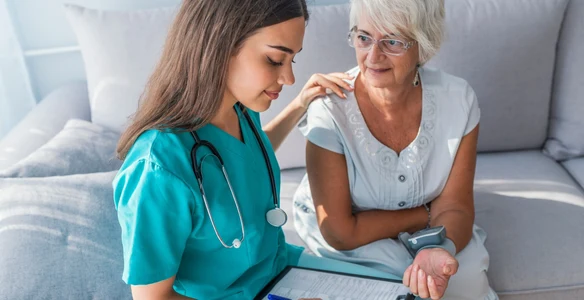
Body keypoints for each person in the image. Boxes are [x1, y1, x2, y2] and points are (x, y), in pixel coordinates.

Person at [113, 0, 395, 299]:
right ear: (220, 46)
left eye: (292, 61)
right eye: (275, 60)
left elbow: (244, 162)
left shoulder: (241, 109)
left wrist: (300, 104)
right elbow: (152, 298)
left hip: (282, 269)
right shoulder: (157, 168)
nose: (288, 78)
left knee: (404, 292)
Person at [292, 0, 499, 299]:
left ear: (423, 44)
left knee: (460, 283)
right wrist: (427, 214)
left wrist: (441, 247)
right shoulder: (329, 108)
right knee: (397, 287)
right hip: (350, 237)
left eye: (392, 41)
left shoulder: (458, 99)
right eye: (363, 38)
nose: (373, 56)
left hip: (430, 229)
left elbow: (456, 206)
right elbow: (340, 232)